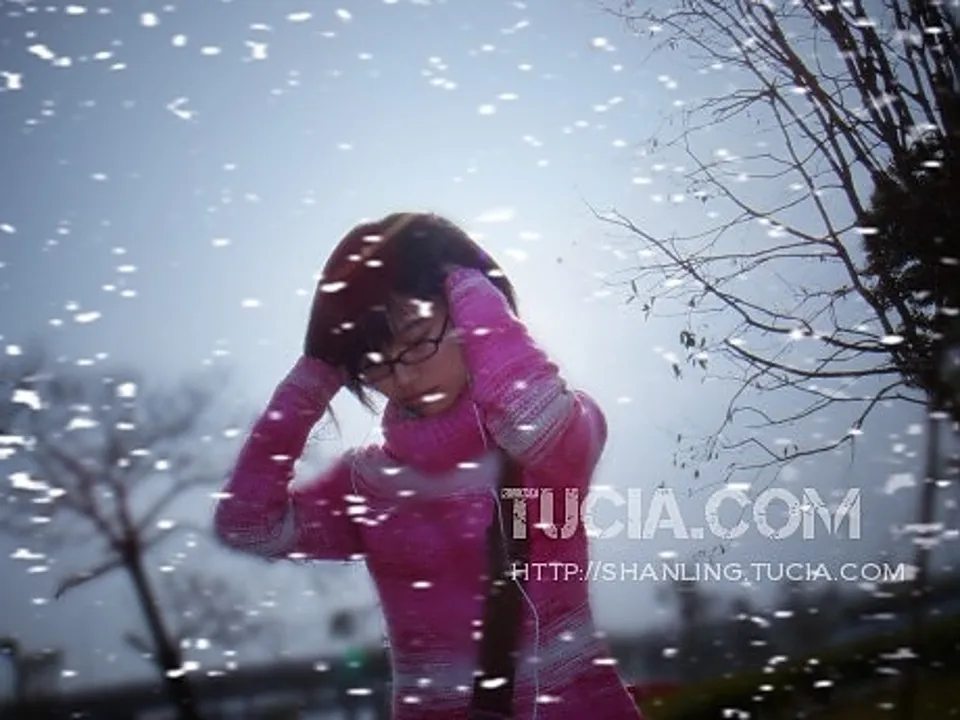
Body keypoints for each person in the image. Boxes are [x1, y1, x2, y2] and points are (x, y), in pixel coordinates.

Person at [213, 212, 643, 719]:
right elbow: (248, 526)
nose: (403, 376)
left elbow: (531, 417)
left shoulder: (558, 438)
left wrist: (466, 279)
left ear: (466, 316)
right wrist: (313, 377)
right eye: (374, 363)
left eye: (417, 340)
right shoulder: (369, 485)